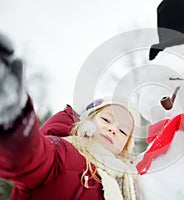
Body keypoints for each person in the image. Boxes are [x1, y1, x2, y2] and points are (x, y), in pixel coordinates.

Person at [0, 33, 140, 200]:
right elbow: (31, 158)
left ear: (126, 146)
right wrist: (16, 122)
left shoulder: (128, 182)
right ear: (88, 122)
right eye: (106, 119)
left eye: (123, 131)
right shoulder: (63, 152)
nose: (112, 129)